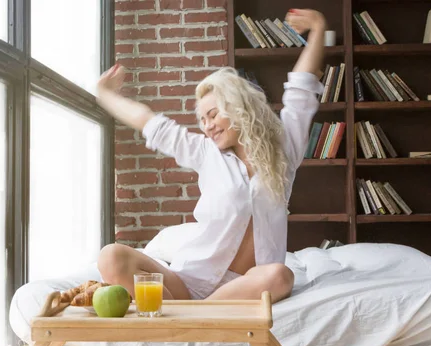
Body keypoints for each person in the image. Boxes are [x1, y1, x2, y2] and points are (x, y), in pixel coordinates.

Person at [95, 9, 326, 303]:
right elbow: (148, 121)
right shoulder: (205, 153)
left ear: (239, 108)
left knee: (280, 276)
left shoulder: (284, 149)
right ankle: (194, 314)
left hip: (246, 286)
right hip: (189, 281)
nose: (207, 126)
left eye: (213, 114)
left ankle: (191, 315)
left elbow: (301, 92)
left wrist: (318, 28)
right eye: (202, 119)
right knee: (111, 256)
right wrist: (104, 95)